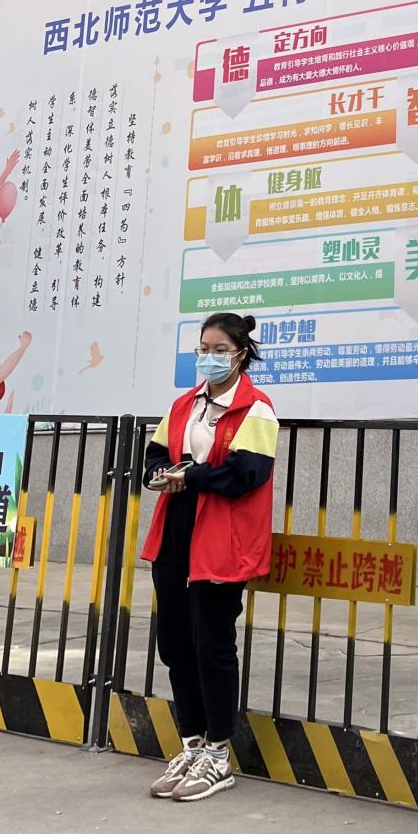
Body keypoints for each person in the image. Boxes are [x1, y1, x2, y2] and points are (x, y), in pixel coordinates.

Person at [141, 313, 278, 803]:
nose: (209, 357)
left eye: (219, 349)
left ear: (241, 353)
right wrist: (167, 474)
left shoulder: (256, 409)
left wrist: (190, 475)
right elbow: (154, 458)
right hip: (175, 534)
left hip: (222, 541)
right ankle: (192, 744)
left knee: (212, 645)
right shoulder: (183, 405)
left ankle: (218, 754)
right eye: (203, 348)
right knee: (176, 644)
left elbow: (247, 474)